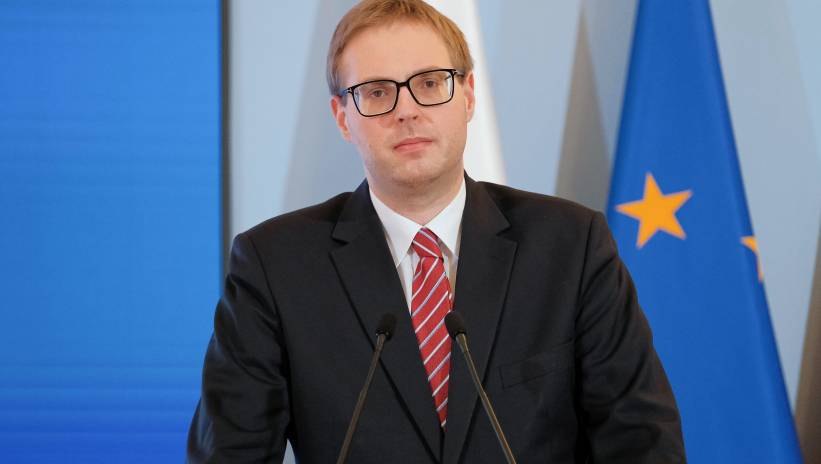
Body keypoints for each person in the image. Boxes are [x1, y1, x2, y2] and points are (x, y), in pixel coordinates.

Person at [187, 1, 686, 462]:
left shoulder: (571, 245)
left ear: (467, 96)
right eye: (377, 92)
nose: (406, 110)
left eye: (429, 83)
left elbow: (642, 442)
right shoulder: (275, 266)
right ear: (342, 117)